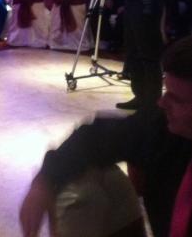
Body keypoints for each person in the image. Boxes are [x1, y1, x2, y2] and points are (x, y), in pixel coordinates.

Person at [19, 35, 192, 237]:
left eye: (177, 99)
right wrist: (43, 182)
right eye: (166, 91)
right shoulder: (163, 126)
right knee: (87, 183)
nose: (162, 103)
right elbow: (94, 137)